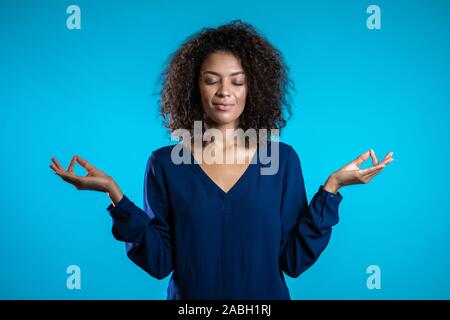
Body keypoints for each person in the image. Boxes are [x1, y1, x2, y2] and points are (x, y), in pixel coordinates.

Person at [49, 20, 394, 300]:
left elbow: (293, 261)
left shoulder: (282, 159)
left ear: (252, 89)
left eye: (237, 82)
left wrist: (331, 189)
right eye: (211, 80)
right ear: (193, 88)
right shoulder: (166, 164)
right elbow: (159, 262)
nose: (224, 92)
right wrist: (115, 194)